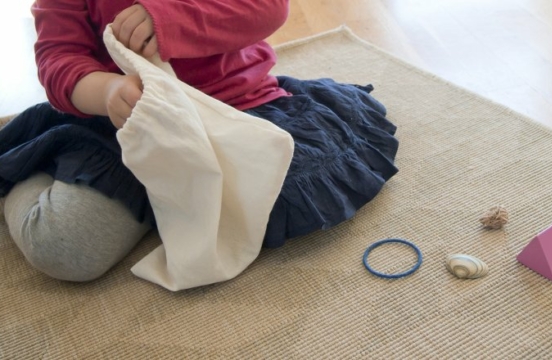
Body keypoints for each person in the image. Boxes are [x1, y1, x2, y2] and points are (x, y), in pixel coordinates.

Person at [0, 0, 399, 282]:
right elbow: (58, 59)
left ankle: (166, 202)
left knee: (283, 196)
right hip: (123, 125)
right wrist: (106, 92)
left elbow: (266, 6)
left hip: (238, 106)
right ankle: (27, 163)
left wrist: (169, 18)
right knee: (64, 247)